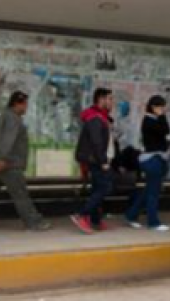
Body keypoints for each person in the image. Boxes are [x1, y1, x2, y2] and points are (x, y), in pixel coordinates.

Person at [0, 91, 51, 232]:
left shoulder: (2, 116)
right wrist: (2, 158)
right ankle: (33, 222)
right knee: (20, 194)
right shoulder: (13, 119)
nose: (26, 108)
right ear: (17, 104)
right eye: (25, 104)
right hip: (8, 165)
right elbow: (8, 140)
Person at [71, 88, 116, 234]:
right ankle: (81, 215)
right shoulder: (95, 118)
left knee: (98, 188)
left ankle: (95, 219)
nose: (112, 102)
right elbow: (97, 142)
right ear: (101, 100)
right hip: (96, 160)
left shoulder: (101, 117)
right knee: (104, 187)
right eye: (110, 99)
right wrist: (103, 161)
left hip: (97, 159)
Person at [124, 95, 170, 232]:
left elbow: (166, 130)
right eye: (160, 107)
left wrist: (161, 116)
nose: (163, 109)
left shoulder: (155, 119)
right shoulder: (148, 121)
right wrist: (162, 116)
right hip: (152, 159)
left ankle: (131, 215)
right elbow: (164, 131)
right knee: (153, 193)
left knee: (148, 191)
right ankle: (153, 222)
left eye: (163, 107)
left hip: (157, 158)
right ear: (153, 107)